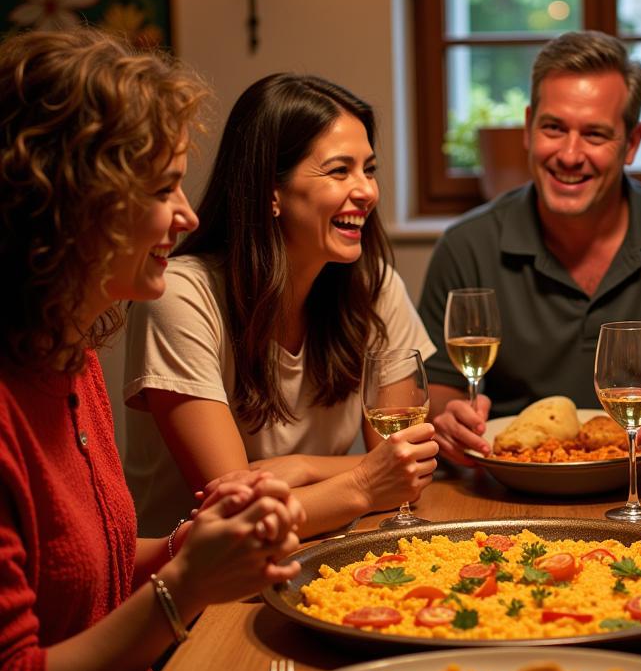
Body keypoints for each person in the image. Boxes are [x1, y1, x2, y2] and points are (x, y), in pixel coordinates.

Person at [0, 29, 304, 671]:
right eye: (163, 187)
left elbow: (83, 576)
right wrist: (184, 590)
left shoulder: (66, 358)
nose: (190, 214)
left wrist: (185, 552)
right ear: (76, 201)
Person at [419, 30, 641, 467]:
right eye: (553, 128)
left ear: (633, 143)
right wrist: (449, 419)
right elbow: (438, 389)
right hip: (513, 491)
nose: (569, 154)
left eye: (595, 135)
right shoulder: (466, 245)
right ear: (528, 128)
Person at [123, 74, 439, 539]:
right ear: (271, 190)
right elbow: (237, 522)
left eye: (368, 169)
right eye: (339, 171)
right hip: (197, 594)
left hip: (320, 557)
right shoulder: (180, 297)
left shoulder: (373, 286)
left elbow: (406, 473)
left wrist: (302, 467)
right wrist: (367, 481)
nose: (367, 191)